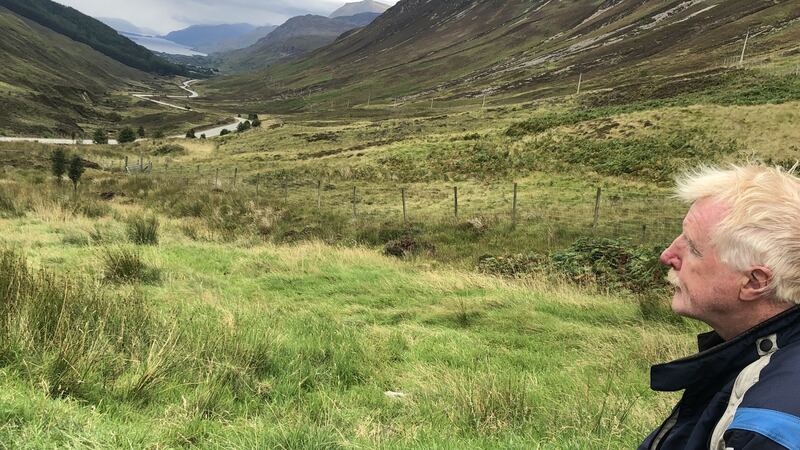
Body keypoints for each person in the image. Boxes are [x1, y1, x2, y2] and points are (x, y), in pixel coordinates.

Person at [639, 165, 800, 450]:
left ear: (754, 282)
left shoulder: (766, 431)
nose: (668, 255)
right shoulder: (755, 358)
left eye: (692, 246)